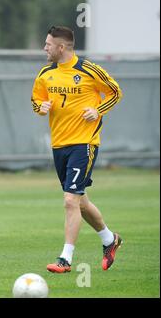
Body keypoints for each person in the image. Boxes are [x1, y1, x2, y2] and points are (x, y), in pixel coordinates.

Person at [31, 26, 123, 273]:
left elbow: (115, 92)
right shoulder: (45, 73)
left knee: (70, 199)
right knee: (80, 200)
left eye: (48, 44)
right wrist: (40, 107)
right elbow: (35, 100)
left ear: (61, 47)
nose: (45, 48)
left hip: (84, 143)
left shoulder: (88, 69)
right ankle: (109, 239)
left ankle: (65, 258)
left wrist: (98, 110)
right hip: (59, 145)